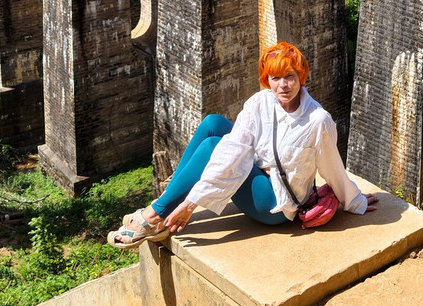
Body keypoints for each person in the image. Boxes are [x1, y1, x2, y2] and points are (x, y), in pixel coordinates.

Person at [107, 41, 378, 248]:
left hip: (275, 203)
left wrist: (352, 199)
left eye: (290, 77)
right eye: (275, 78)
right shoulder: (260, 102)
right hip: (260, 172)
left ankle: (155, 217)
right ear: (266, 80)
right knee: (213, 124)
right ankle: (166, 202)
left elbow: (332, 166)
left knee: (216, 146)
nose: (283, 85)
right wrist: (190, 199)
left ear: (301, 76)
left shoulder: (317, 120)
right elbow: (236, 146)